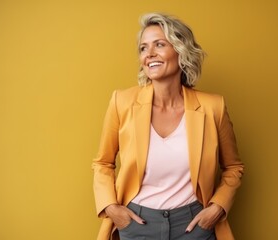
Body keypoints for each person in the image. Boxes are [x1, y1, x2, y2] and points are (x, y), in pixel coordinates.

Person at [92, 12, 244, 240]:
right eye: (143, 48)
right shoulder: (122, 102)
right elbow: (103, 163)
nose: (149, 54)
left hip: (194, 225)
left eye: (159, 44)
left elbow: (233, 168)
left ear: (181, 51)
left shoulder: (213, 107)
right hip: (136, 225)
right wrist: (113, 209)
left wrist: (217, 208)